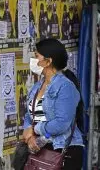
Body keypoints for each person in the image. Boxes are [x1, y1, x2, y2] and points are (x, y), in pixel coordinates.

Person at [23, 39, 84, 170]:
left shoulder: (65, 86)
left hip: (62, 150)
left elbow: (62, 123)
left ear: (48, 61)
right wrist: (29, 133)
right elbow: (29, 115)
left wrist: (35, 129)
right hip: (40, 149)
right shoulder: (38, 86)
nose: (34, 61)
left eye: (36, 56)